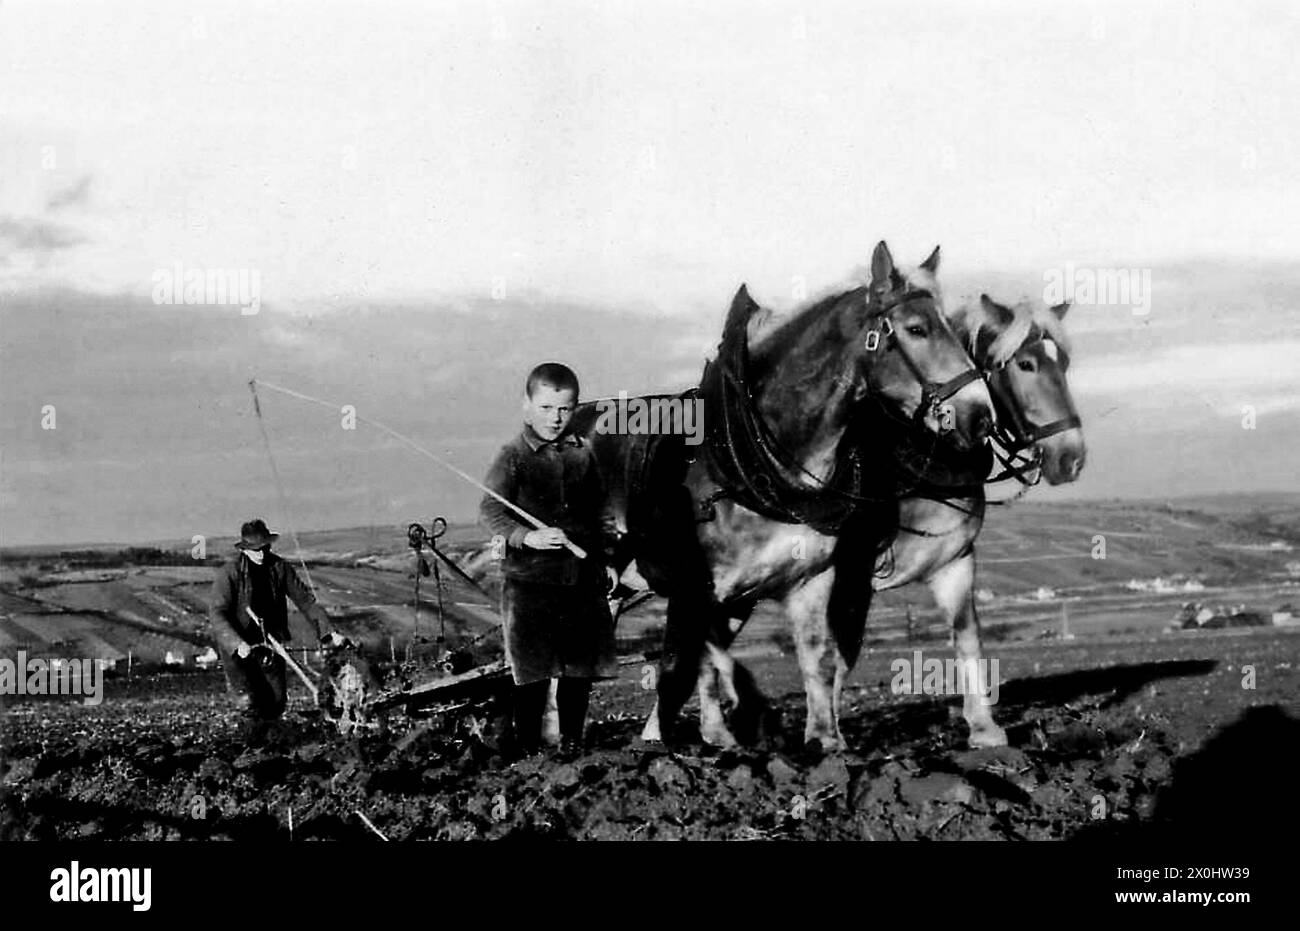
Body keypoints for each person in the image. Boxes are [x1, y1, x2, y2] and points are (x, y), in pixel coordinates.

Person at [480, 362, 618, 756]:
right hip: (529, 583)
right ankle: (528, 754)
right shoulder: (512, 456)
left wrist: (607, 558)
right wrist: (528, 537)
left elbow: (601, 512)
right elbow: (491, 511)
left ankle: (571, 746)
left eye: (565, 409)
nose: (556, 419)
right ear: (527, 406)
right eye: (546, 409)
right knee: (533, 674)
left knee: (578, 670)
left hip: (581, 578)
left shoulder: (582, 454)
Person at [208, 519, 333, 732]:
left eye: (265, 547)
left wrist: (328, 633)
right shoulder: (229, 573)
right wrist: (237, 644)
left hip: (271, 642)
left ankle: (273, 744)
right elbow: (217, 613)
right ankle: (250, 748)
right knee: (249, 702)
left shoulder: (279, 567)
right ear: (245, 549)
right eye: (256, 550)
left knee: (276, 701)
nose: (262, 553)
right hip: (240, 648)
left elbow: (305, 601)